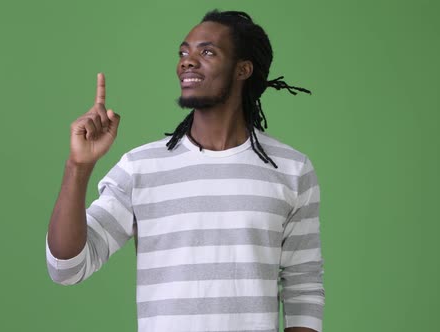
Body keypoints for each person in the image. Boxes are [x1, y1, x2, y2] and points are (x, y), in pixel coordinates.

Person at [46, 9, 325, 332]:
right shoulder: (141, 168)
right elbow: (66, 268)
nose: (187, 61)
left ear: (243, 69)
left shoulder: (291, 169)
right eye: (183, 52)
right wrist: (78, 167)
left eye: (207, 52)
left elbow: (303, 287)